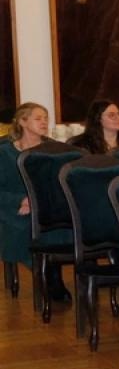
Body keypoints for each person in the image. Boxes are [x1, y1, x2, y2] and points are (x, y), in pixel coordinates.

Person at [1, 104, 52, 289]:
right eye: (38, 118)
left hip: (47, 206)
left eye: (46, 118)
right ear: (22, 121)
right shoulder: (4, 152)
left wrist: (35, 202)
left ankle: (47, 272)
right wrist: (20, 201)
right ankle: (45, 274)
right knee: (21, 223)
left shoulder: (54, 151)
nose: (44, 122)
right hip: (13, 208)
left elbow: (57, 185)